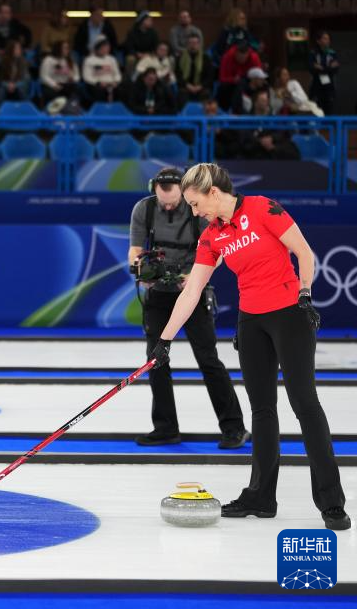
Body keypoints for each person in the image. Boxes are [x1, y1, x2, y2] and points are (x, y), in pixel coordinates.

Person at [151, 163, 349, 531]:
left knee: (305, 404)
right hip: (251, 322)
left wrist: (306, 293)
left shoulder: (262, 208)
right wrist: (164, 339)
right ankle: (261, 497)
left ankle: (331, 502)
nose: (194, 212)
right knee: (262, 409)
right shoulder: (212, 236)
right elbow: (192, 291)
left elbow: (304, 253)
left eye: (195, 204)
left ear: (213, 192)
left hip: (290, 314)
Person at [128, 167, 247, 448]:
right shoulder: (144, 209)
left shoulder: (199, 209)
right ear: (154, 190)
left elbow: (217, 251)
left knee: (208, 360)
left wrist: (193, 277)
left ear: (183, 192)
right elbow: (135, 250)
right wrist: (140, 270)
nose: (168, 206)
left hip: (193, 290)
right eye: (164, 202)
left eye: (173, 202)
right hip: (158, 293)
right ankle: (165, 428)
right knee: (156, 360)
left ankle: (234, 428)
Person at [308, 31, 339, 116]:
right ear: (318, 41)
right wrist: (328, 67)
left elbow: (336, 69)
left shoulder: (332, 53)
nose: (327, 41)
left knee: (329, 111)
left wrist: (321, 68)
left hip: (329, 87)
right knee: (316, 111)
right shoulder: (313, 53)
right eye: (325, 38)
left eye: (328, 39)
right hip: (316, 86)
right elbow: (311, 68)